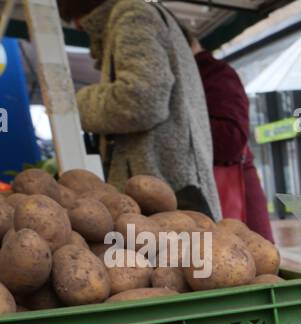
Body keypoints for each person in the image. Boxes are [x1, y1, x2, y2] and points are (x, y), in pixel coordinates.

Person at [61, 0, 220, 218]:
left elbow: (142, 101)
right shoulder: (148, 14)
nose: (80, 28)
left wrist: (74, 105)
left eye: (76, 21)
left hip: (164, 191)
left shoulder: (133, 13)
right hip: (174, 190)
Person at [191, 37, 274, 240]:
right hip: (215, 201)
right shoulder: (200, 76)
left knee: (258, 260)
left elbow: (231, 138)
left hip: (235, 195)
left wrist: (183, 125)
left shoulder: (216, 74)